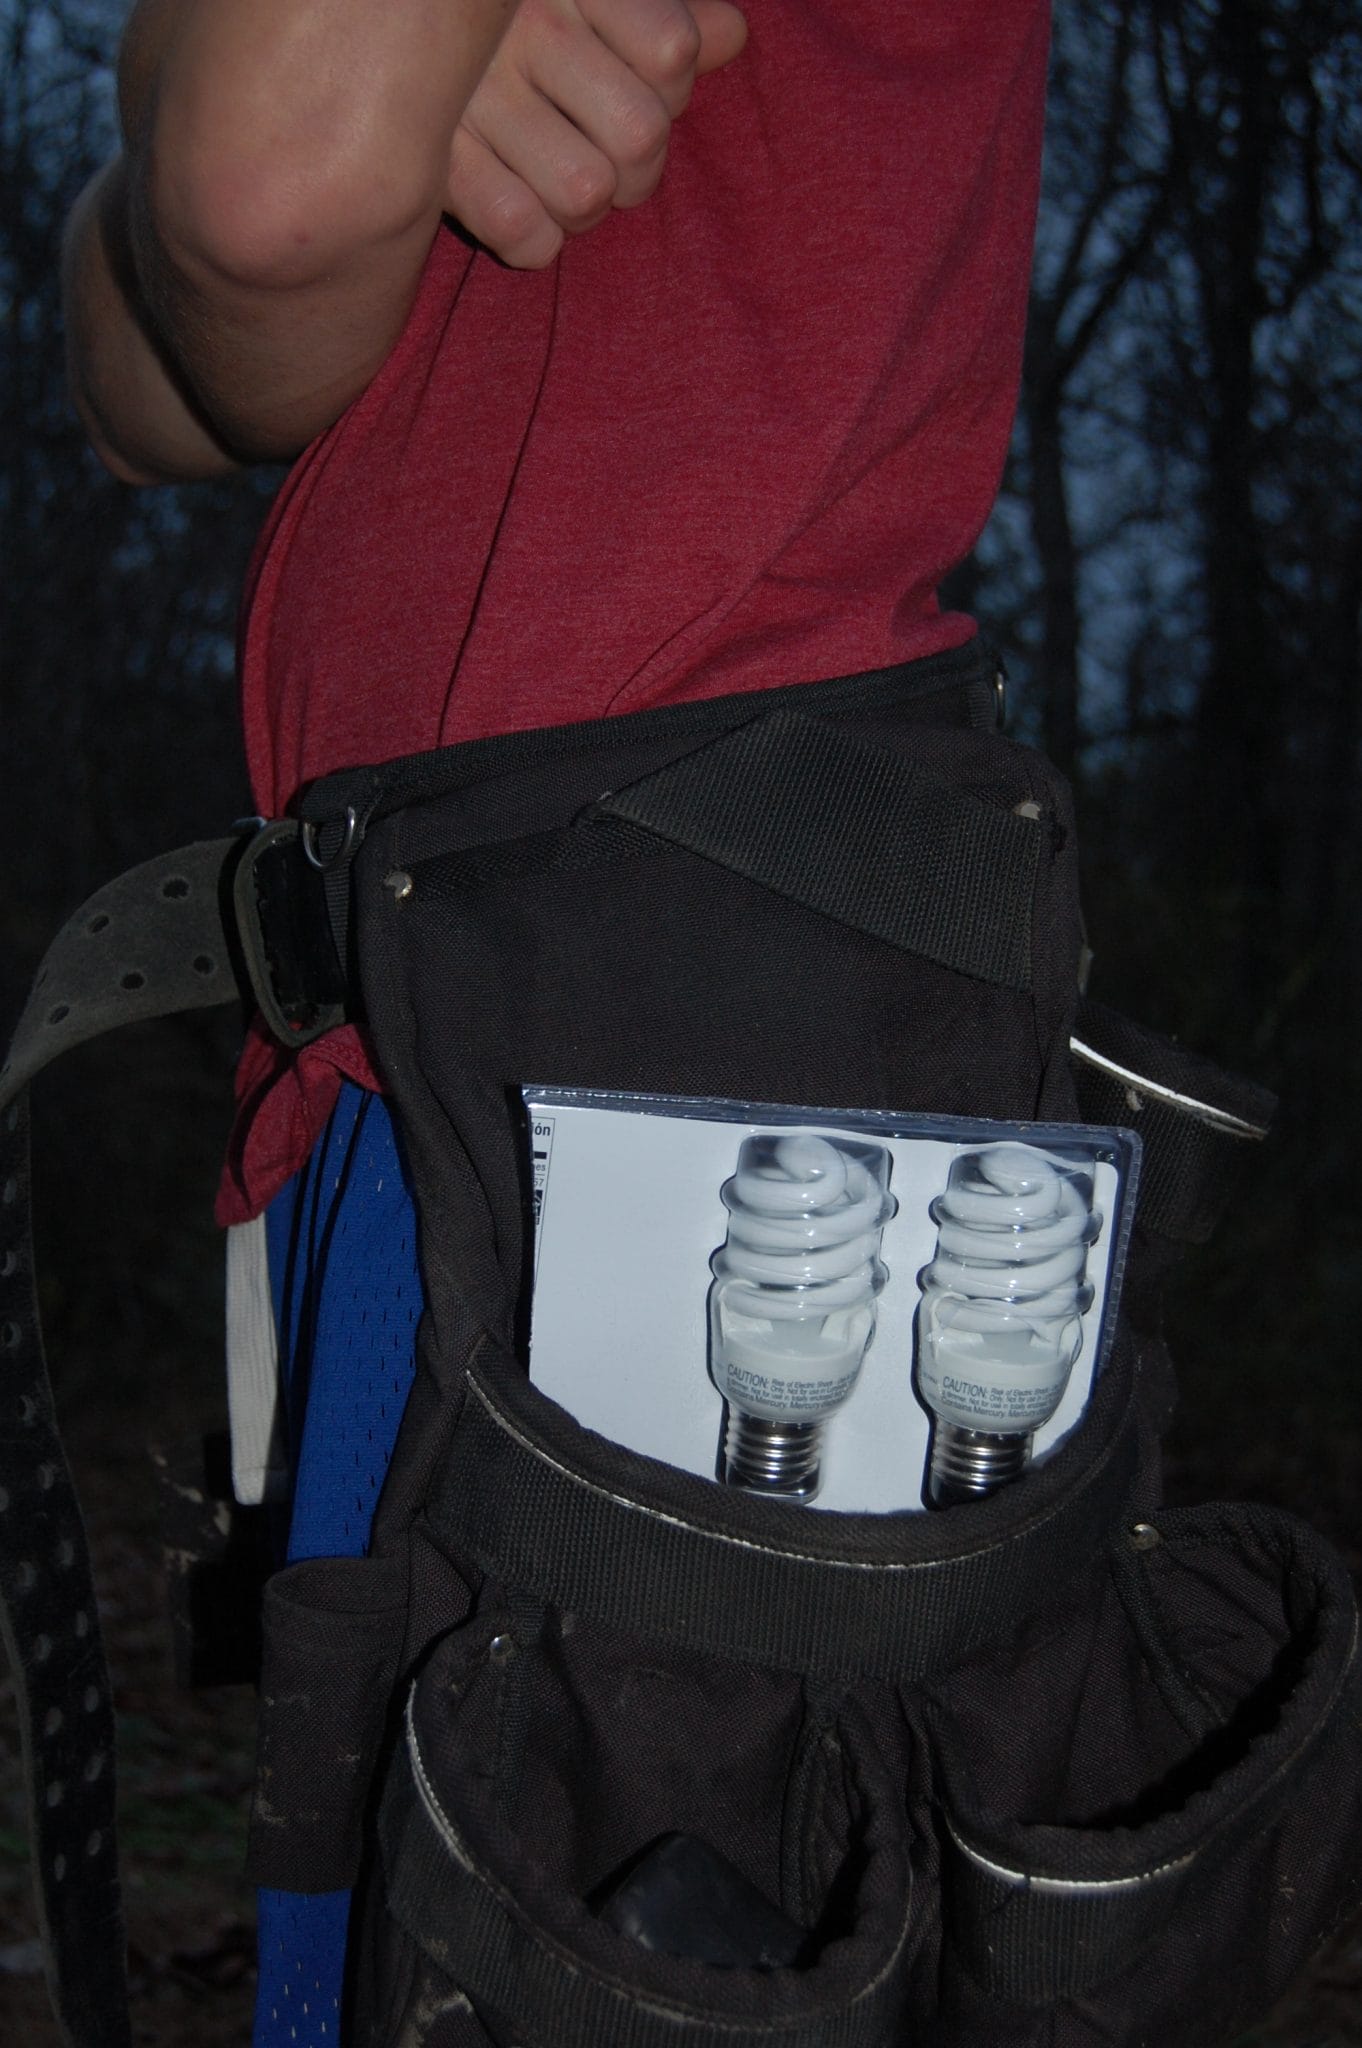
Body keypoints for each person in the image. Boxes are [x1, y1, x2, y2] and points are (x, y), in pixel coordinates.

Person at [63, 2, 1053, 2039]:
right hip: (483, 1018)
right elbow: (139, 385)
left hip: (634, 1037)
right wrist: (222, 97)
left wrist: (253, 121)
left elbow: (256, 204)